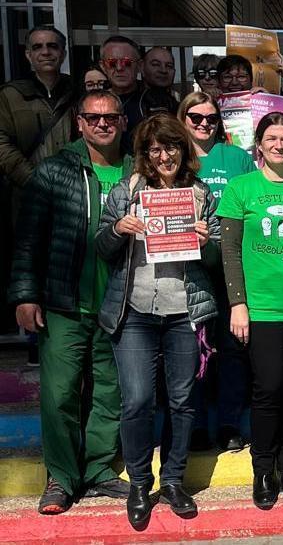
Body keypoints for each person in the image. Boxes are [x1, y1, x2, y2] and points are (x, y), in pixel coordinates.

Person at [9, 90, 132, 514]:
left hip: (119, 304)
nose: (103, 124)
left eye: (111, 117)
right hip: (65, 303)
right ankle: (61, 478)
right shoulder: (55, 171)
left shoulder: (137, 170)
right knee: (59, 393)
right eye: (93, 118)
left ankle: (98, 470)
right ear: (78, 122)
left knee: (110, 393)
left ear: (123, 121)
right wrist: (25, 294)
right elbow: (28, 239)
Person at [95, 114, 219, 526]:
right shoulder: (128, 191)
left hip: (183, 311)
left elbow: (220, 256)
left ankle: (173, 481)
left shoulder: (200, 194)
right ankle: (138, 483)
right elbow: (102, 246)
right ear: (145, 155)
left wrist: (206, 242)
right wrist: (118, 229)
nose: (164, 156)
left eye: (172, 147)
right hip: (135, 312)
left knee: (182, 402)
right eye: (156, 149)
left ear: (183, 151)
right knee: (137, 401)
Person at [217, 112, 283, 509]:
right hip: (261, 308)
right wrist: (237, 303)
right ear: (259, 144)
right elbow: (229, 250)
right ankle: (262, 468)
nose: (280, 144)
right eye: (272, 138)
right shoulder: (240, 188)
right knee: (268, 388)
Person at [178, 91, 257, 451]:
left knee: (231, 349)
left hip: (231, 265)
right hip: (185, 269)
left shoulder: (237, 157)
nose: (204, 124)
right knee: (190, 351)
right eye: (196, 117)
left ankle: (228, 423)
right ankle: (193, 424)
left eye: (211, 118)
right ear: (183, 120)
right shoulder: (175, 158)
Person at [0, 26, 77, 208]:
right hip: (25, 192)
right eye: (37, 47)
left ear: (63, 53)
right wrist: (33, 180)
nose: (45, 52)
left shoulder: (77, 92)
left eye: (52, 46)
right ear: (28, 55)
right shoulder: (10, 95)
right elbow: (2, 145)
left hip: (71, 193)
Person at [102, 36, 176, 133]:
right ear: (103, 66)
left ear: (139, 66)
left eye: (127, 62)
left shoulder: (158, 102)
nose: (119, 68)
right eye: (112, 63)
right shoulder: (93, 103)